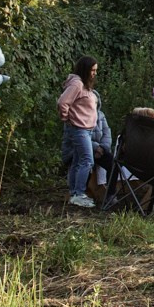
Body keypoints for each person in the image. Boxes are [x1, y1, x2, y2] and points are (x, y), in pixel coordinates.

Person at [57, 56, 101, 209]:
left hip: (86, 129)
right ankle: (79, 193)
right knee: (87, 161)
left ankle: (74, 193)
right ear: (85, 69)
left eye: (96, 70)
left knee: (77, 161)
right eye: (92, 70)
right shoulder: (76, 84)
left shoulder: (84, 85)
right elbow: (63, 102)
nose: (94, 73)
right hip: (79, 128)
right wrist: (67, 119)